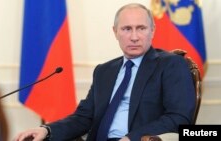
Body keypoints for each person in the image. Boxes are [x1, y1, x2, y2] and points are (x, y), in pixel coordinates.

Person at [14, 3, 195, 141]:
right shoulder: (104, 71)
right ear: (115, 32)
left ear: (152, 31)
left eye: (141, 28)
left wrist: (133, 138)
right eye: (126, 29)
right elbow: (83, 118)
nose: (134, 36)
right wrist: (46, 130)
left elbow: (179, 118)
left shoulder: (171, 64)